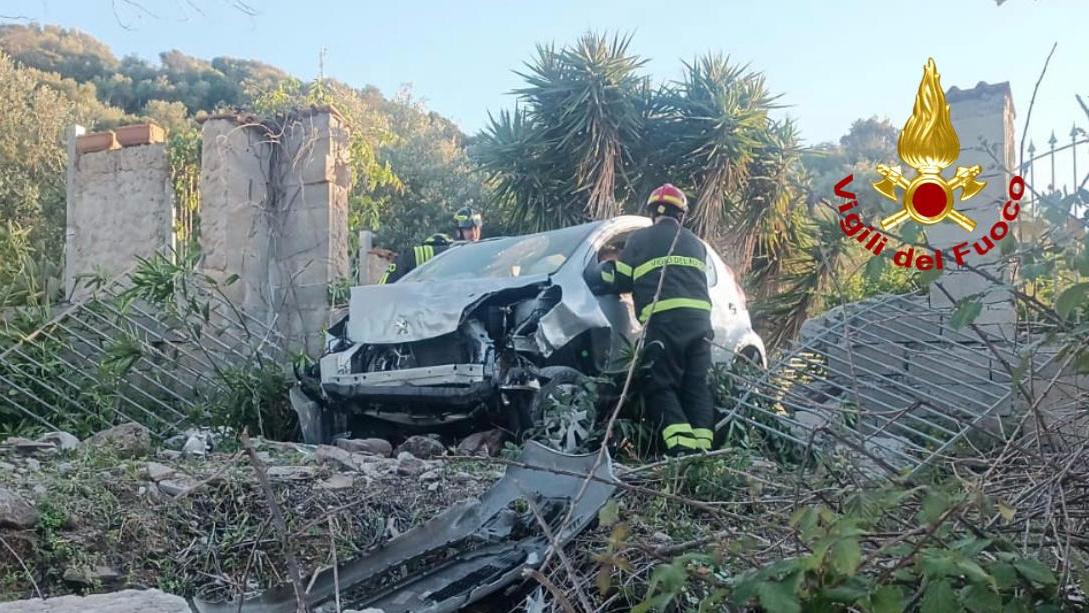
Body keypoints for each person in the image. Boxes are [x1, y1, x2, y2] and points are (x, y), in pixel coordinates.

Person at [593, 184, 715, 455]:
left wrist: (604, 272)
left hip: (665, 322)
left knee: (660, 384)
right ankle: (704, 452)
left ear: (652, 213)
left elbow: (621, 281)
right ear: (681, 215)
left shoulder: (640, 239)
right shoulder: (696, 243)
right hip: (700, 325)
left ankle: (680, 448)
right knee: (697, 385)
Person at [377, 206, 484, 284]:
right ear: (458, 232)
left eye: (476, 228)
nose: (474, 234)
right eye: (468, 229)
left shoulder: (482, 258)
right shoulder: (444, 250)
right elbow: (407, 259)